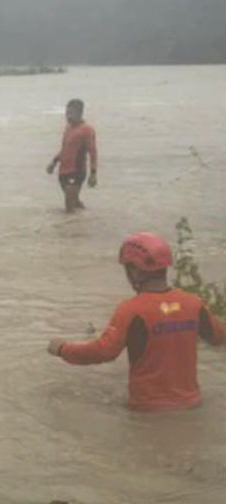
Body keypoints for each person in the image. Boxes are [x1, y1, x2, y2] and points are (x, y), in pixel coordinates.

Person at [48, 232, 225, 412]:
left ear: (135, 270)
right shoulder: (194, 304)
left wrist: (63, 349)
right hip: (192, 406)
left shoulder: (131, 309)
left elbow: (104, 351)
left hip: (147, 410)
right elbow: (219, 337)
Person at [46, 99, 97, 213]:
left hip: (77, 171)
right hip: (63, 171)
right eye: (67, 113)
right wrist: (54, 162)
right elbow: (65, 148)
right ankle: (85, 219)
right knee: (74, 202)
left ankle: (71, 228)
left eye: (71, 114)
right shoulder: (68, 127)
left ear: (80, 113)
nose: (68, 116)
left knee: (68, 208)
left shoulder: (87, 130)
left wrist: (93, 174)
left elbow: (93, 152)